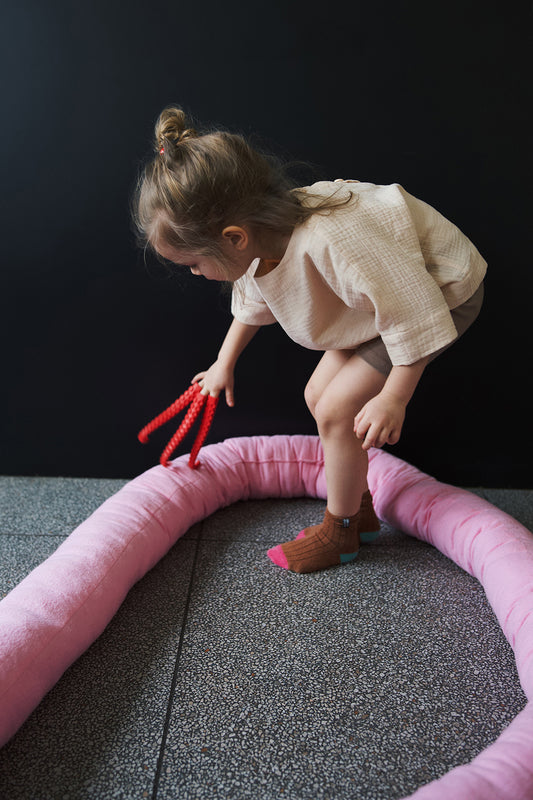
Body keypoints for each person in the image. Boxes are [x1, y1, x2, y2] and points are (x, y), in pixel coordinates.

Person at [133, 106, 486, 574]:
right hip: (375, 302)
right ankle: (359, 512)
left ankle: (340, 532)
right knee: (318, 395)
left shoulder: (333, 240)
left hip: (440, 291)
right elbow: (252, 303)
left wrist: (395, 397)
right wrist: (224, 362)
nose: (196, 274)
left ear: (234, 237)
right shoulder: (261, 237)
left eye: (194, 264)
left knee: (340, 410)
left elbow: (413, 309)